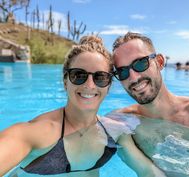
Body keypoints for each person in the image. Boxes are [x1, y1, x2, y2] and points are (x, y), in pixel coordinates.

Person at [0, 35, 165, 177]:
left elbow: (148, 172)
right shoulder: (36, 132)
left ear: (108, 86)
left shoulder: (115, 133)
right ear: (66, 82)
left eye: (100, 77)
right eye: (79, 75)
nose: (90, 85)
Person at [108, 32, 189, 175]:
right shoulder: (123, 122)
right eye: (122, 72)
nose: (133, 78)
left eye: (140, 63)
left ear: (160, 62)